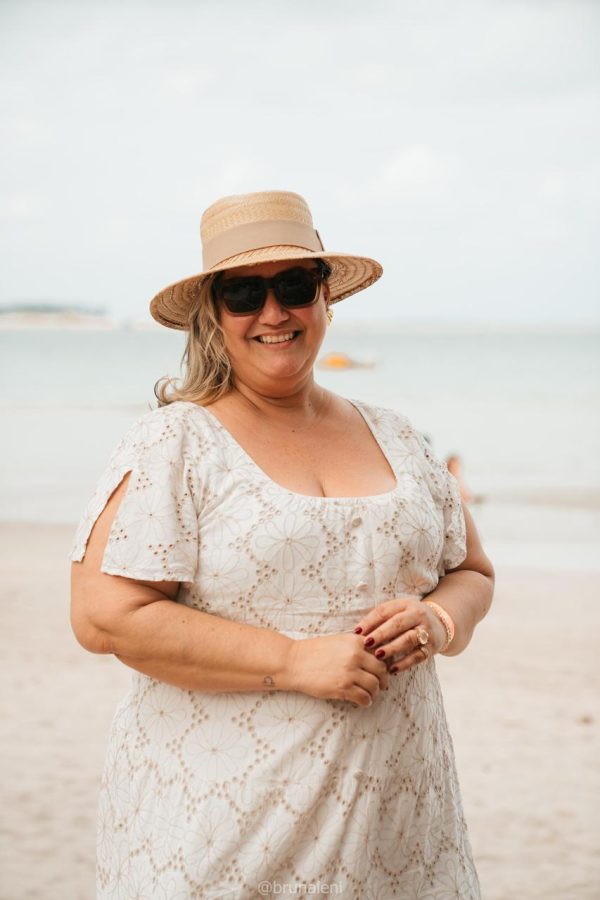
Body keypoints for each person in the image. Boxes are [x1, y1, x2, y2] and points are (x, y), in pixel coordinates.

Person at [69, 190, 494, 899]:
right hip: (227, 823)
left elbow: (471, 570)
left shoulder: (395, 434)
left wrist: (439, 621)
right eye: (245, 293)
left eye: (295, 287)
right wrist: (295, 661)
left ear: (326, 297)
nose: (274, 313)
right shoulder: (176, 442)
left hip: (399, 821)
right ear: (214, 312)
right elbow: (104, 617)